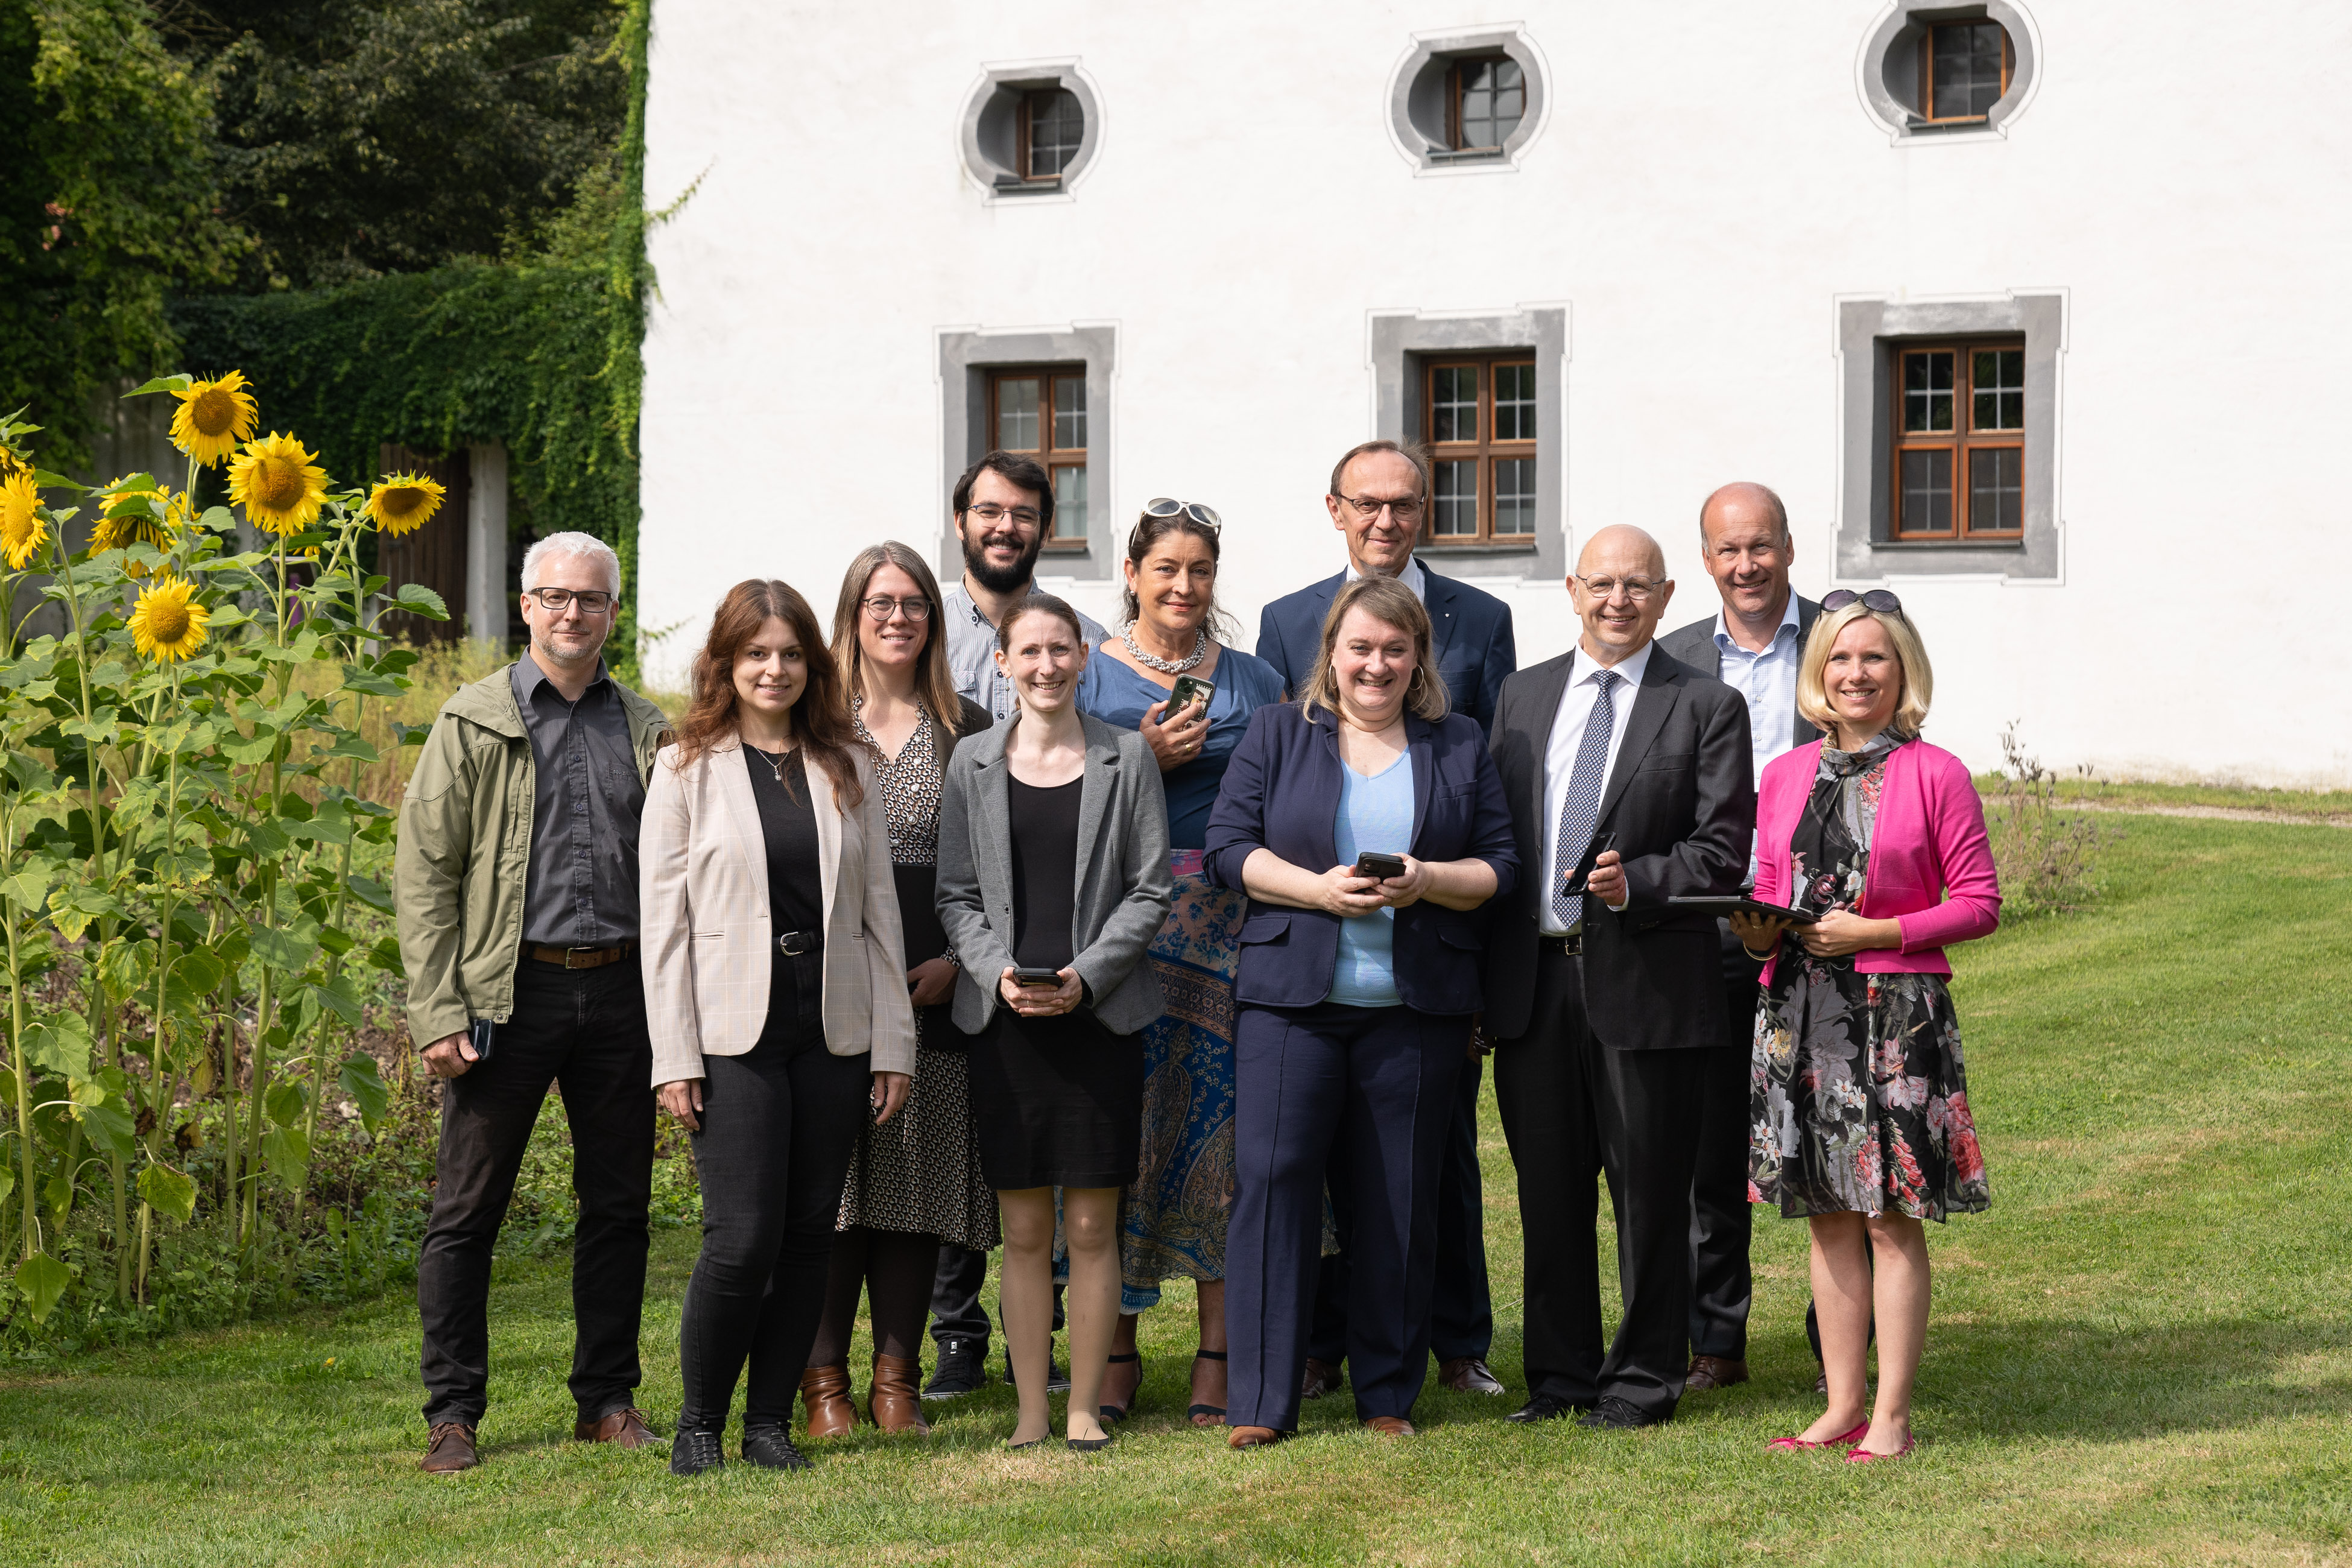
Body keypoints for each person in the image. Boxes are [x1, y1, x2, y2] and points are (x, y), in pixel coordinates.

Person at [1205, 576, 1518, 1446]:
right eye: (1360, 648)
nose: (1375, 664)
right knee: (1273, 1189)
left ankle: (1387, 1393)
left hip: (1414, 1011)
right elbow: (1229, 852)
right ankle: (1262, 1403)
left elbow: (1501, 866)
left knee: (1397, 1200)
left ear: (1418, 657)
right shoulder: (1277, 733)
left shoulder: (1456, 743)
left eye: (1394, 648)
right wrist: (1316, 892)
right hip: (1289, 1008)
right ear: (1331, 657)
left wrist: (1427, 882)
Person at [397, 531, 671, 1475]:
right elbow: (425, 874)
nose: (572, 613)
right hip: (504, 996)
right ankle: (453, 1413)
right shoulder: (471, 723)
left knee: (619, 1209)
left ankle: (606, 1399)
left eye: (590, 600)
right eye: (554, 597)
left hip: (624, 993)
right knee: (466, 1212)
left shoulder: (647, 730)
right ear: (526, 607)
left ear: (610, 614)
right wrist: (435, 1009)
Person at [641, 580, 918, 1476]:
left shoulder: (849, 765)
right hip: (732, 1035)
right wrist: (674, 1055)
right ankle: (698, 1424)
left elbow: (880, 915)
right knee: (741, 1237)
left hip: (832, 1028)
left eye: (791, 653)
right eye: (756, 653)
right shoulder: (685, 768)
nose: (775, 668)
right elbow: (664, 927)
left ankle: (769, 1424)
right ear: (725, 663)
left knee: (808, 1237)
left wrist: (894, 1043)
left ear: (813, 663)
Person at [1484, 524, 1753, 1431]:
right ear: (1571, 589)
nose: (1617, 601)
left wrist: (1644, 881)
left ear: (1667, 596)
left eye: (1637, 587)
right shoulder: (1521, 697)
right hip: (1536, 986)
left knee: (1648, 1197)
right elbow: (1498, 838)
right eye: (1601, 584)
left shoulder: (1705, 706)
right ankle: (1558, 1377)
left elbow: (1722, 851)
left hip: (1648, 980)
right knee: (1548, 1195)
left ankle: (1642, 1382)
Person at [1731, 590, 1998, 1463]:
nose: (1856, 674)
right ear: (1819, 673)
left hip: (1894, 1017)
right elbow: (1770, 887)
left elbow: (1979, 903)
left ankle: (1891, 1417)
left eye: (1874, 659)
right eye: (1841, 659)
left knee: (1889, 1216)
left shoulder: (1938, 774)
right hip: (1800, 1011)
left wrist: (1878, 932)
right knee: (1828, 1214)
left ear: (1901, 672)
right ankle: (1841, 1404)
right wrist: (1755, 927)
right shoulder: (1784, 775)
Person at [935, 594, 1174, 1451]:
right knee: (1027, 1229)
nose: (1045, 666)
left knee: (1091, 1226)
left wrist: (1090, 976)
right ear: (1001, 661)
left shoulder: (1127, 756)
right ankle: (1033, 1409)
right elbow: (956, 894)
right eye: (1028, 651)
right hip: (1006, 1025)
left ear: (1084, 657)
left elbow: (1152, 887)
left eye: (1061, 651)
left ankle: (1084, 1407)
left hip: (1100, 1021)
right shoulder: (971, 763)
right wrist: (997, 973)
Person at [1076, 501, 1286, 1426]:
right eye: (1166, 568)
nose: (1184, 586)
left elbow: (1288, 789)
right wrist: (1141, 761)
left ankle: (1218, 1353)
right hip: (1123, 923)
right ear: (1132, 573)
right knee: (1123, 1136)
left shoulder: (1256, 676)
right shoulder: (1085, 675)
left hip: (1235, 926)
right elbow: (1051, 791)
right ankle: (1113, 1346)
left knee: (1224, 1146)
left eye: (1200, 569)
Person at [798, 545, 996, 1439]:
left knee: (915, 1189)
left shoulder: (972, 727)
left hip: (934, 985)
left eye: (915, 602)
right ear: (851, 614)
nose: (898, 617)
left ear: (934, 618)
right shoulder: (809, 722)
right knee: (837, 1193)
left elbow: (1000, 867)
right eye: (880, 602)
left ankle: (897, 1384)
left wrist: (961, 958)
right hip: (834, 987)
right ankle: (825, 1386)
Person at [928, 449, 1111, 1399]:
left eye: (1024, 514)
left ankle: (1042, 1358)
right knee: (971, 1145)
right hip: (951, 917)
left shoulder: (1084, 635)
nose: (1006, 527)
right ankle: (958, 1333)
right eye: (989, 512)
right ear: (961, 520)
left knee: (1055, 1164)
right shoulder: (922, 627)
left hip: (1061, 922)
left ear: (1045, 525)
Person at [1655, 482, 1822, 1393]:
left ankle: (1844, 1326)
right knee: (1710, 1146)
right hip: (1709, 929)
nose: (1747, 566)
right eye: (1728, 551)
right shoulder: (1675, 658)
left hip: (1823, 927)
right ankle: (1716, 1337)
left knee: (1839, 1128)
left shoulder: (1836, 644)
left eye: (1761, 547)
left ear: (1790, 549)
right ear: (1706, 561)